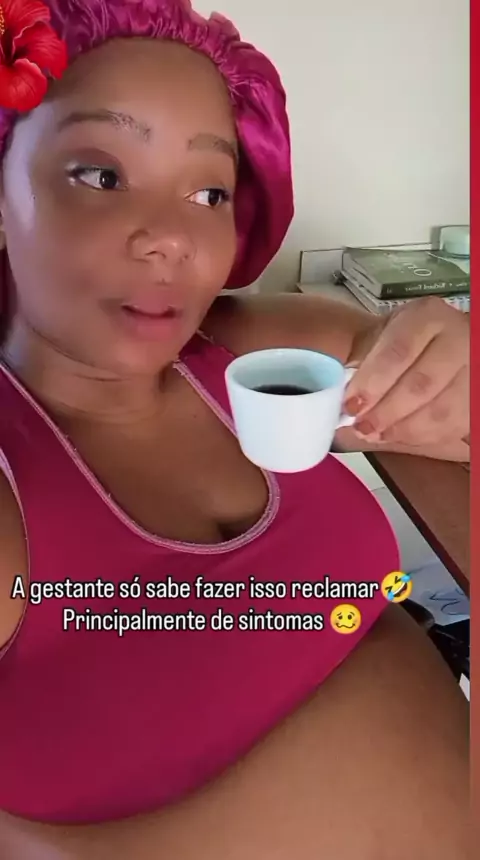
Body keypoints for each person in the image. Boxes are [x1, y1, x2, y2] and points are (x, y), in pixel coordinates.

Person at [0, 1, 469, 857]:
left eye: (208, 192)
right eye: (100, 174)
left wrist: (441, 354)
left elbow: (407, 367)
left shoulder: (243, 352)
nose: (172, 239)